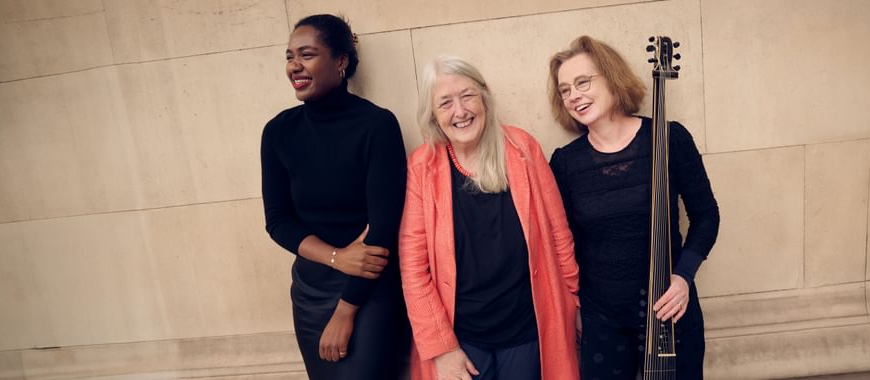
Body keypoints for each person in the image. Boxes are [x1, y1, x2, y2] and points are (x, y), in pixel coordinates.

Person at [547, 35, 721, 379]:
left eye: (583, 82)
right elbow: (561, 242)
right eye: (565, 90)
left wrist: (684, 277)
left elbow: (706, 216)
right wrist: (574, 305)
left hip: (669, 307)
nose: (574, 96)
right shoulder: (566, 163)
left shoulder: (670, 139)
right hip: (603, 317)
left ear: (612, 78)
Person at [398, 55, 580, 380]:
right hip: (461, 335)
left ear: (484, 96)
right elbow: (413, 267)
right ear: (434, 116)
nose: (461, 111)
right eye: (446, 103)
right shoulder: (422, 167)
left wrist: (573, 300)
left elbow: (558, 231)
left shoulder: (522, 148)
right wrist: (441, 347)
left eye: (467, 96)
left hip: (527, 327)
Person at [260, 14, 410, 379]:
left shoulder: (377, 125)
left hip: (368, 291)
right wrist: (335, 257)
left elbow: (385, 226)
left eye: (307, 55)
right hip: (311, 292)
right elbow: (278, 220)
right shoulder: (279, 131)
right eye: (289, 56)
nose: (294, 65)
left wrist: (346, 310)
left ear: (340, 61)